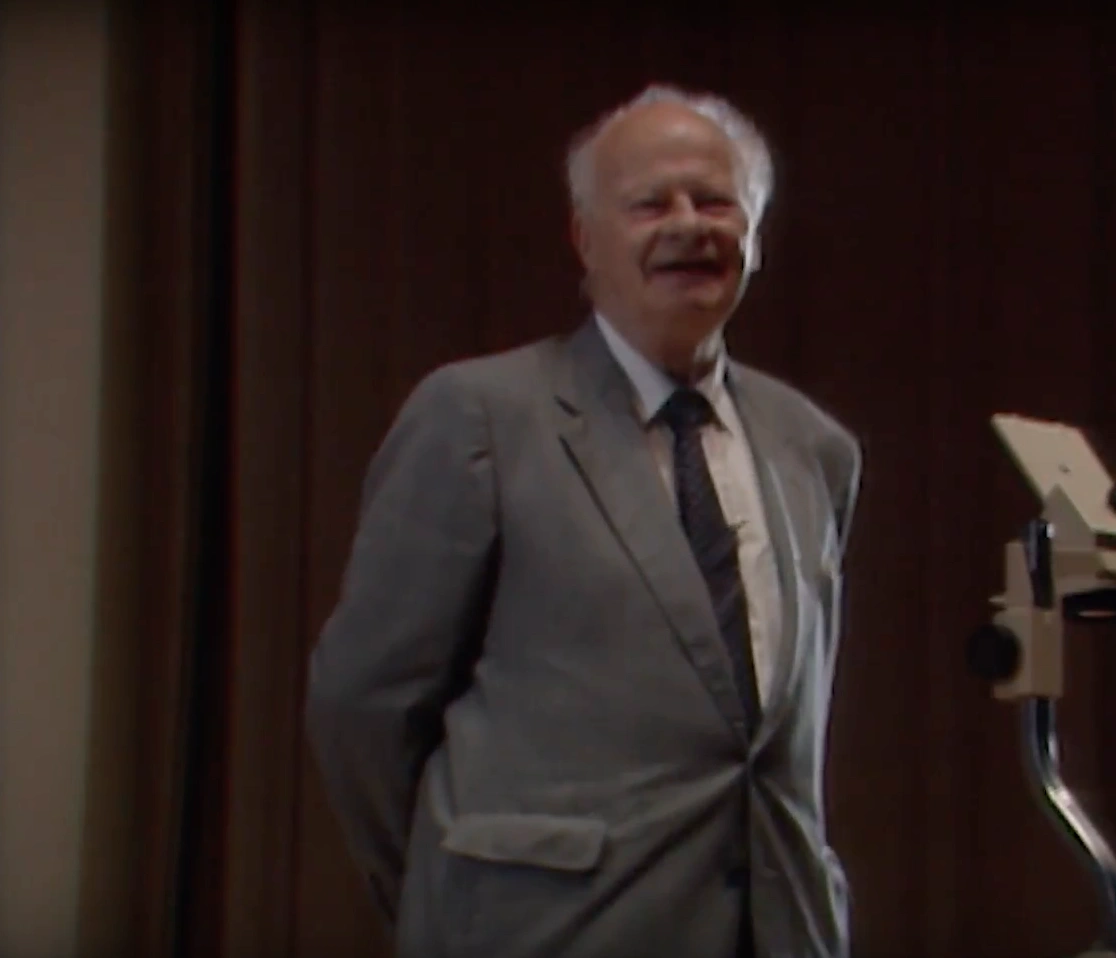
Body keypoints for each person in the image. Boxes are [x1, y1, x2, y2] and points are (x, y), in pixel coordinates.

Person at [305, 83, 864, 958]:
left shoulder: (816, 448)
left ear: (753, 234)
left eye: (716, 201)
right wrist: (445, 890)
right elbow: (363, 707)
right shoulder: (479, 417)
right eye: (650, 203)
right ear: (584, 239)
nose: (689, 224)